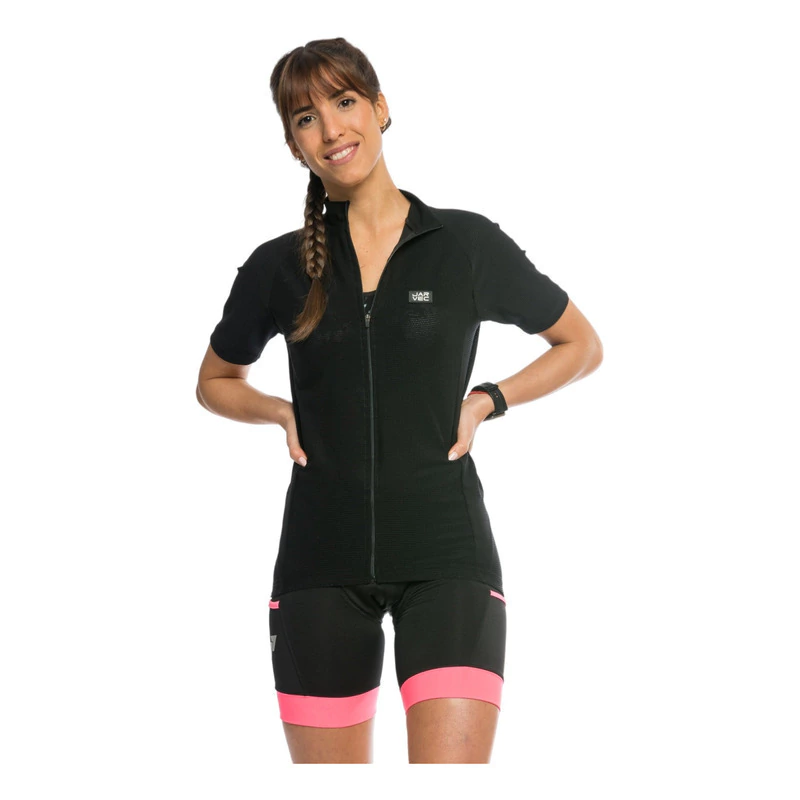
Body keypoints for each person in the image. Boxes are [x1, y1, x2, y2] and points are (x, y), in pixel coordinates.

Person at [196, 37, 603, 764]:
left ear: (381, 109)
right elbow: (215, 380)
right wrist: (278, 410)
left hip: (448, 555)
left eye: (345, 101)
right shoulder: (276, 267)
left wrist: (488, 399)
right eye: (305, 118)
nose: (331, 129)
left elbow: (580, 344)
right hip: (319, 561)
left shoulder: (464, 244)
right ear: (293, 145)